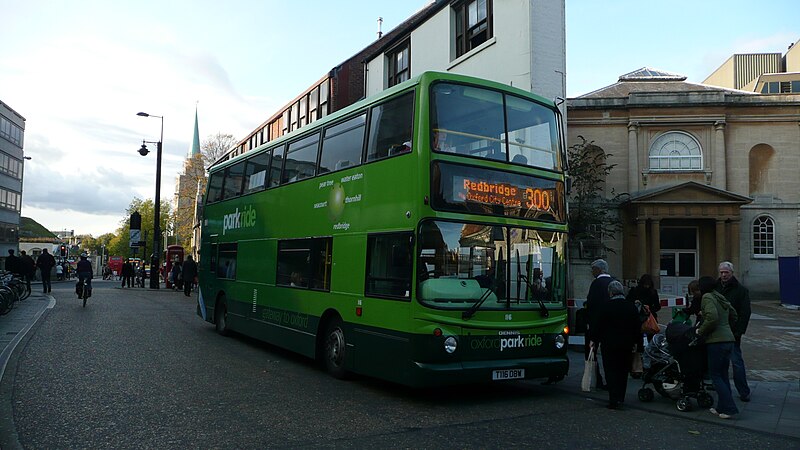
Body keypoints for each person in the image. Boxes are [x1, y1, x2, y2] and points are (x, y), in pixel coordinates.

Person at [591, 280, 641, 409]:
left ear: (611, 292)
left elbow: (598, 326)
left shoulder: (606, 306)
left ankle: (614, 399)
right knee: (622, 372)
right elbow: (637, 327)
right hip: (626, 344)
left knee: (611, 371)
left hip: (610, 344)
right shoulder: (630, 307)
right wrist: (638, 345)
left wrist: (594, 341)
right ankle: (621, 397)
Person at [696, 276, 739, 419]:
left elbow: (712, 317)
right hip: (728, 339)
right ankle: (722, 407)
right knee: (723, 375)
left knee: (716, 376)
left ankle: (730, 408)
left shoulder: (707, 297)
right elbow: (733, 314)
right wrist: (726, 327)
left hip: (716, 342)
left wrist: (700, 331)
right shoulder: (719, 295)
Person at [715, 261, 752, 402]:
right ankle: (721, 388)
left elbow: (745, 312)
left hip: (732, 332)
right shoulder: (715, 287)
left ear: (732, 273)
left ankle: (743, 391)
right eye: (722, 272)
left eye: (726, 272)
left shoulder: (741, 290)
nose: (724, 275)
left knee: (736, 363)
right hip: (716, 331)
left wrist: (739, 331)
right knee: (718, 362)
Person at [585, 258, 615, 389]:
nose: (592, 272)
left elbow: (591, 304)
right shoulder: (614, 282)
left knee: (592, 352)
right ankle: (611, 380)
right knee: (610, 356)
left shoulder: (596, 284)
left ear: (598, 269)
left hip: (597, 324)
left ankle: (597, 380)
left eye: (593, 269)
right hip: (613, 325)